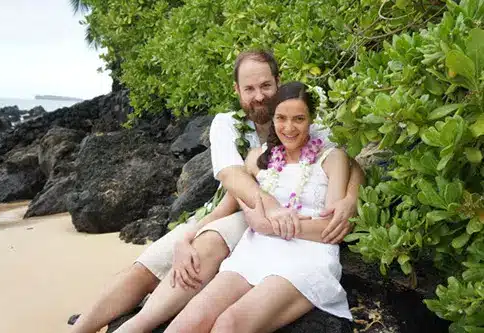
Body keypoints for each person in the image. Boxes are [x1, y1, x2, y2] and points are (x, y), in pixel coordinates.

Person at [71, 50, 364, 333]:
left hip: (262, 225)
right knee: (150, 265)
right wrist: (193, 234)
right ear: (237, 90)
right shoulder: (229, 126)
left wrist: (350, 197)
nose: (259, 95)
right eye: (249, 88)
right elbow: (232, 178)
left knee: (210, 246)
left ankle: (142, 322)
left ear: (278, 81)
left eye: (265, 85)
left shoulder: (310, 121)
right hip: (239, 210)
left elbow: (350, 162)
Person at [164, 81, 352, 333]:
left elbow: (331, 229)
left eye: (299, 118)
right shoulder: (256, 158)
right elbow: (224, 209)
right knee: (189, 322)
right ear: (271, 118)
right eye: (281, 118)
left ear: (311, 119)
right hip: (255, 251)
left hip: (308, 255)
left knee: (228, 325)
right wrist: (185, 239)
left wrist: (269, 226)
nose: (289, 127)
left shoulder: (330, 158)